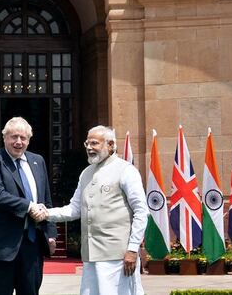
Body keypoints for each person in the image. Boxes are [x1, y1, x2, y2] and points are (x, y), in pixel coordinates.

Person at [31, 126, 147, 295]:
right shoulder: (86, 173)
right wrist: (46, 213)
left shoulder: (126, 171)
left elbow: (141, 211)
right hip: (91, 256)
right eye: (87, 143)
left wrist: (133, 249)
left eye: (95, 143)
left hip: (118, 256)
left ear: (111, 145)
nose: (89, 147)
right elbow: (74, 209)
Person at [0, 117, 57, 295]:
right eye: (14, 137)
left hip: (32, 244)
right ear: (4, 137)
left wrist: (50, 233)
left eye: (23, 138)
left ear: (29, 140)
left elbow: (46, 200)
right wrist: (29, 206)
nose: (18, 142)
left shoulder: (38, 161)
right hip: (1, 247)